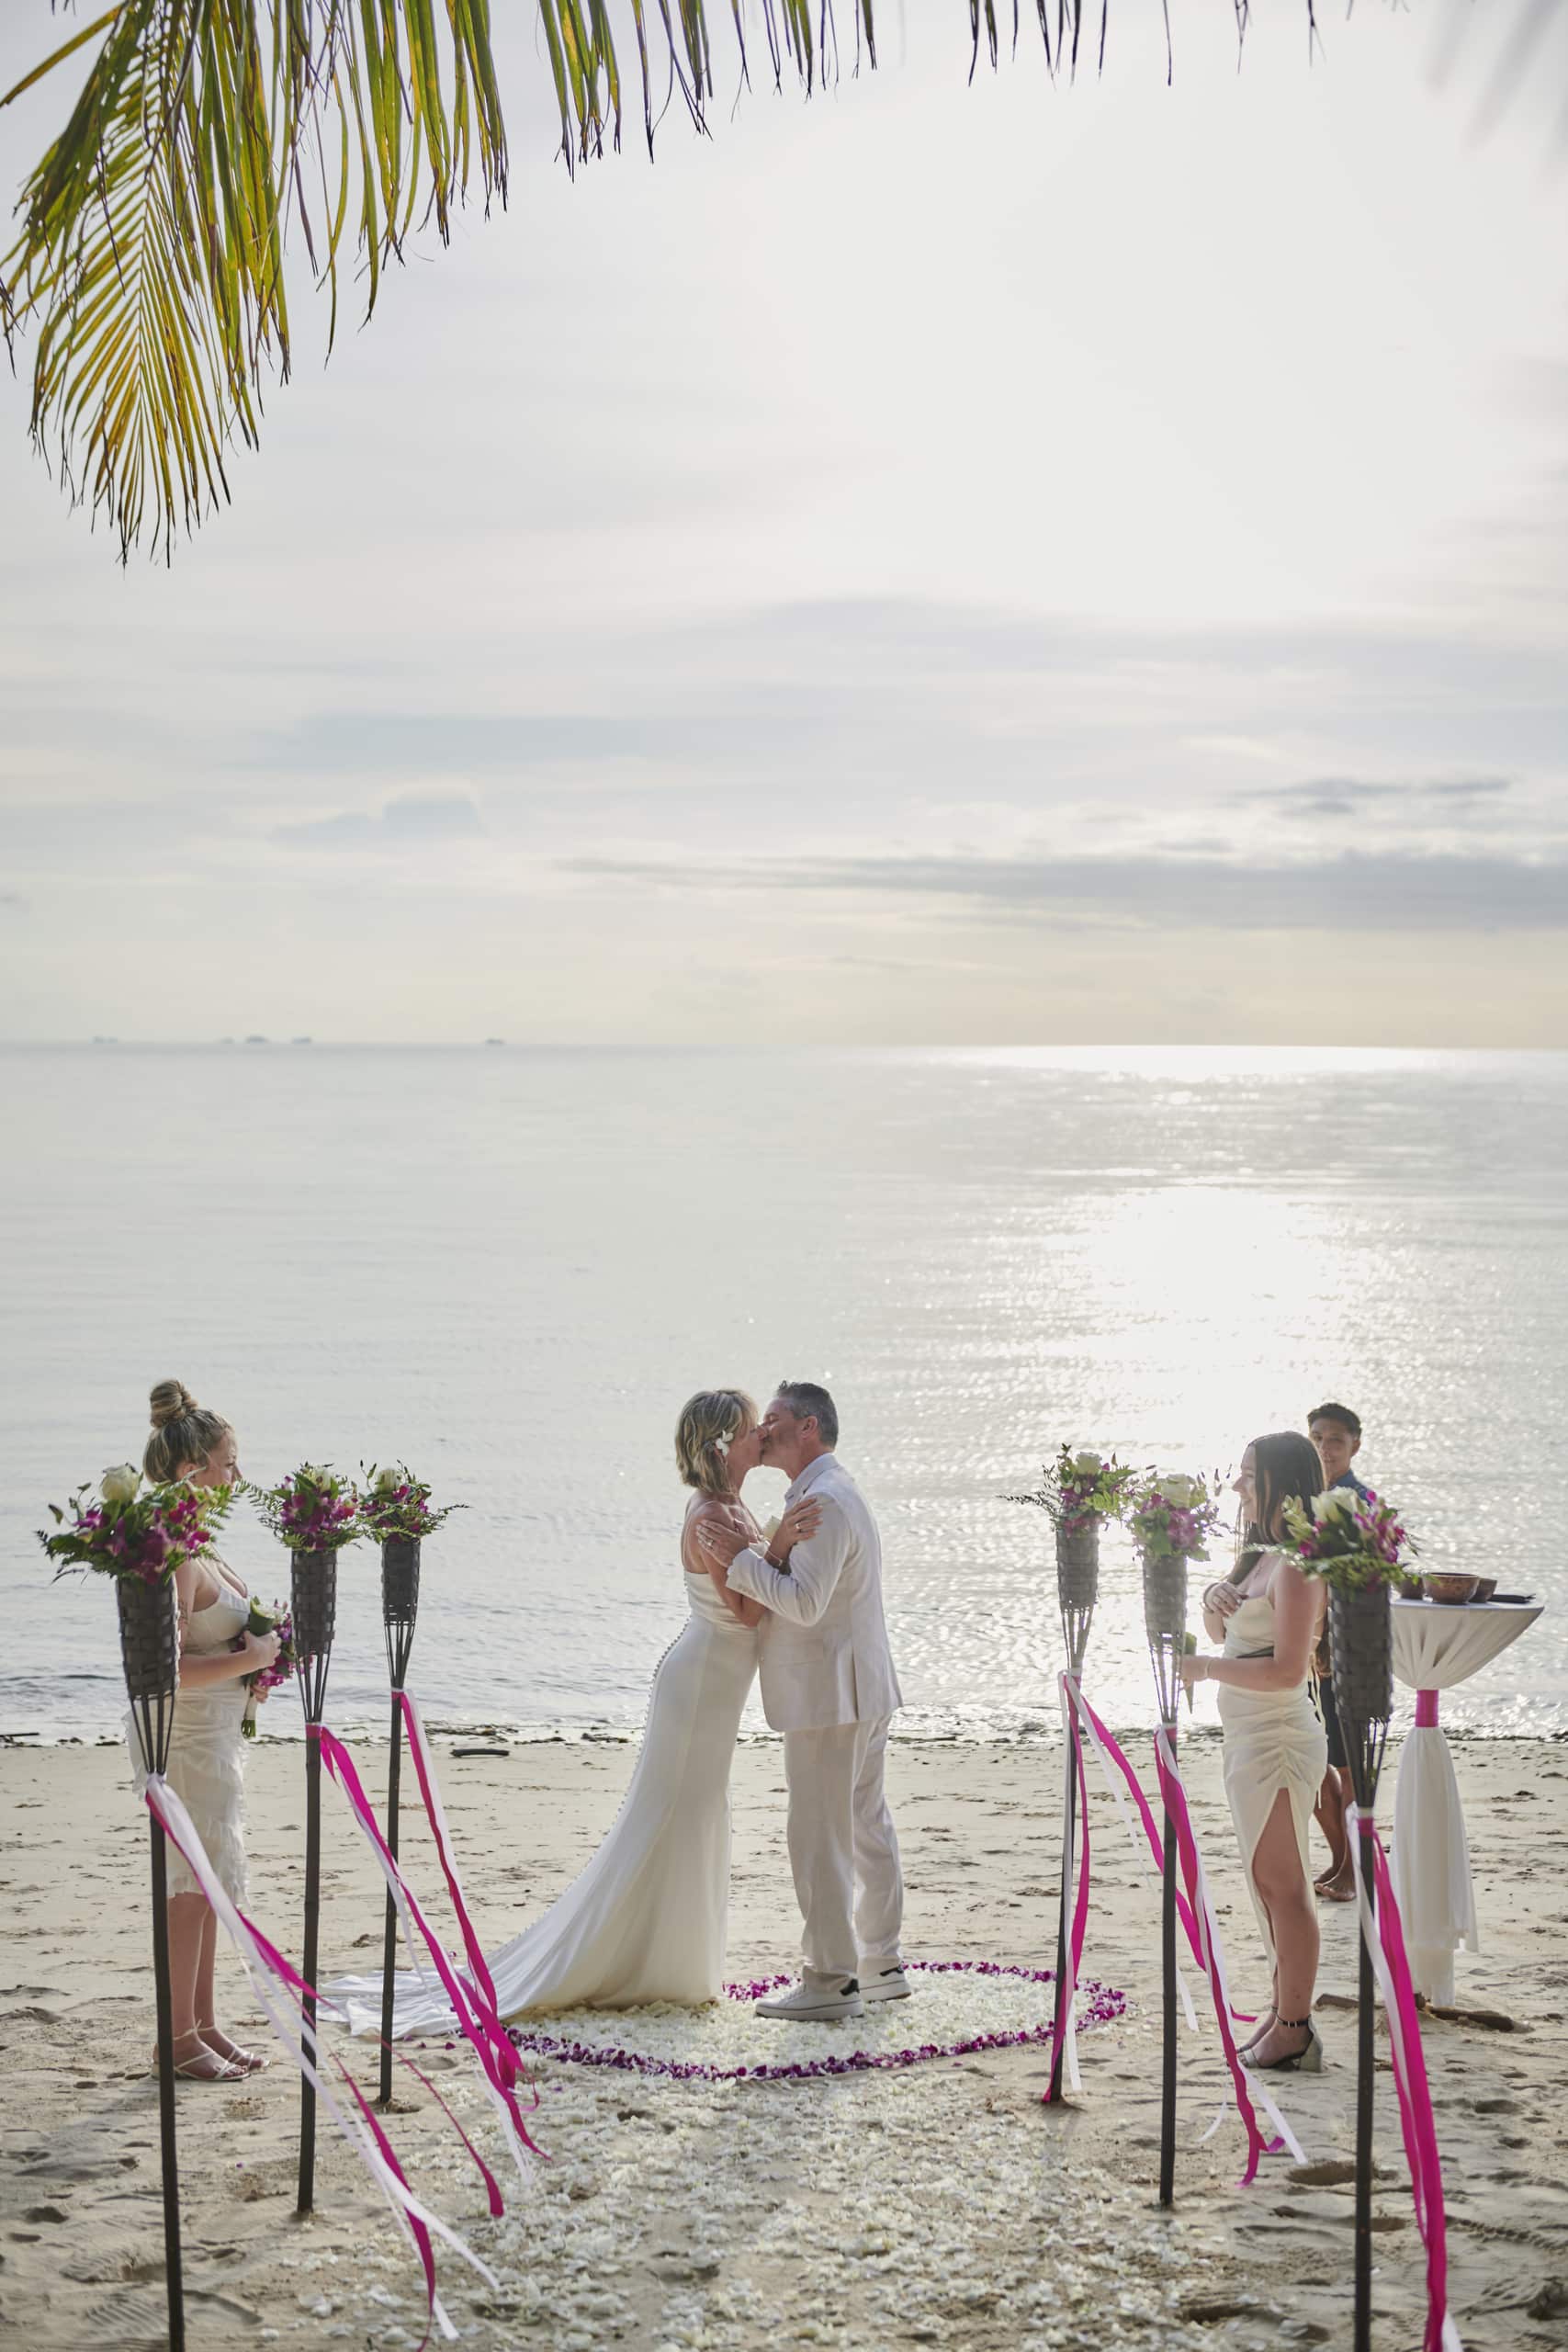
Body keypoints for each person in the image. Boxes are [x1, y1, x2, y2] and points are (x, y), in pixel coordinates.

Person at [333, 1389, 820, 2029]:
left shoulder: (729, 1507)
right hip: (701, 1684)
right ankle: (644, 1964)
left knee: (695, 1815)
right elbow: (751, 1611)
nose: (761, 1435)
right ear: (721, 1445)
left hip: (713, 1683)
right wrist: (784, 1537)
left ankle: (670, 1964)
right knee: (677, 1815)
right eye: (751, 1429)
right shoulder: (712, 1518)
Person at [701, 1382, 907, 2023]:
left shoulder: (822, 1500)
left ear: (808, 1427)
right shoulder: (826, 1491)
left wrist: (742, 1560)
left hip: (829, 1694)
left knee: (818, 1835)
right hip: (856, 1686)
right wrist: (773, 1549)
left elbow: (804, 1602)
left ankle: (830, 1977)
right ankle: (881, 1965)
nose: (762, 1431)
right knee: (865, 1826)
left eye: (775, 1420)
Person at [131, 1380, 281, 2083]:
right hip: (184, 1737)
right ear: (193, 1470)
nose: (237, 1476)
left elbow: (212, 1647)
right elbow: (161, 1670)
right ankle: (176, 2038)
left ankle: (204, 2022)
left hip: (216, 1736)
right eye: (228, 1462)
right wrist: (250, 1657)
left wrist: (262, 1652)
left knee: (210, 1880)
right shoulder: (164, 1549)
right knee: (188, 1888)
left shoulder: (199, 1541)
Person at [1180, 1430, 1328, 2073]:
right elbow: (1234, 1630)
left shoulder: (1298, 1565)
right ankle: (1279, 2006)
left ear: (1279, 1483)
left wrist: (1205, 1666)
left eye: (1247, 1476)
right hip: (1245, 1737)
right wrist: (1215, 1603)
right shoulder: (1258, 1556)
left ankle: (1295, 2026)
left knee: (1284, 1884)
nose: (1237, 1486)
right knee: (1263, 1885)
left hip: (1276, 1738)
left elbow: (1288, 1671)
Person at [1305, 1403, 1372, 1901]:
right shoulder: (1305, 1496)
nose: (1325, 1448)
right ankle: (1340, 1859)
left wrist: (1329, 1642)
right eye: (1317, 1438)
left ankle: (1355, 1870)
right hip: (1304, 1651)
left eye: (1334, 1440)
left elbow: (1361, 1582)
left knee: (1347, 1768)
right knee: (1312, 1763)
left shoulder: (1360, 1501)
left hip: (1344, 1652)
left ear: (1354, 1445)